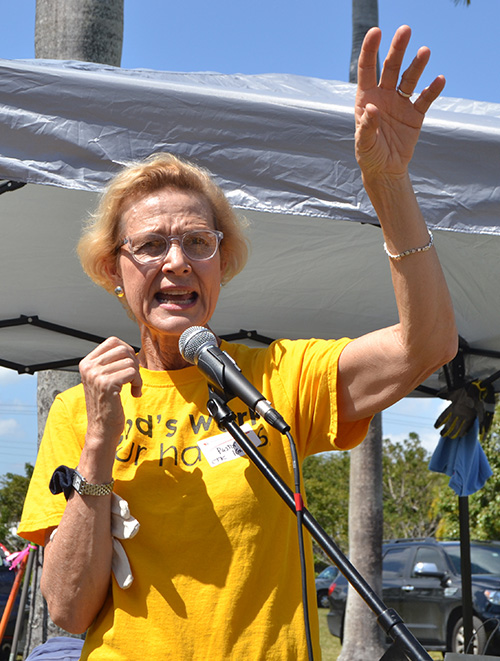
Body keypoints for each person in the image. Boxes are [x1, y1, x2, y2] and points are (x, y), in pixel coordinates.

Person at [18, 25, 457, 660]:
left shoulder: (274, 377)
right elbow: (67, 609)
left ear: (223, 264)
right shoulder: (80, 410)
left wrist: (388, 181)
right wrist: (96, 448)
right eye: (150, 245)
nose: (177, 263)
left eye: (199, 242)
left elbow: (429, 344)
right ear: (114, 271)